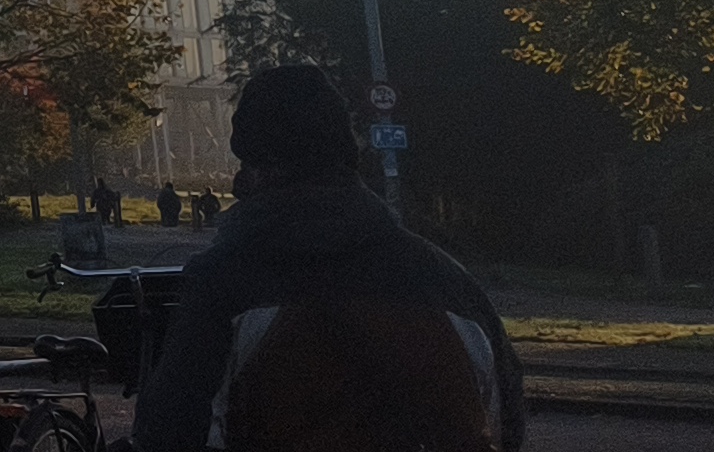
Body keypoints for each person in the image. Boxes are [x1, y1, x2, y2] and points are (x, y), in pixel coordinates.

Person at [132, 65, 522, 452]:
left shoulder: (225, 285)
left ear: (257, 169)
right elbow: (505, 423)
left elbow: (171, 430)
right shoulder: (449, 284)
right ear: (346, 158)